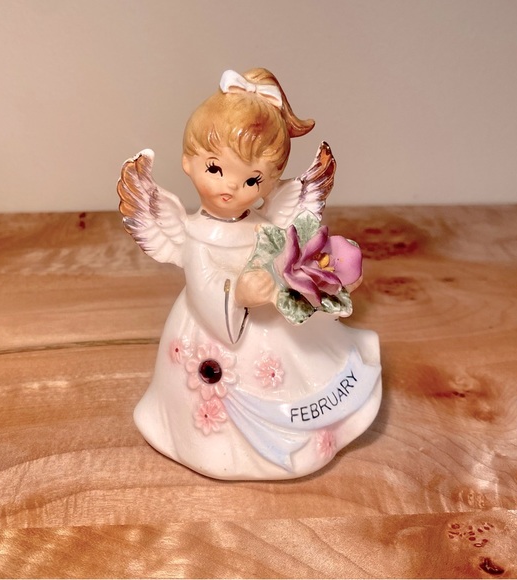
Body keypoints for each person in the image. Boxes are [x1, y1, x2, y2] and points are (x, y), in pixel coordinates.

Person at [118, 68, 381, 480]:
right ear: (188, 162)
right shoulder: (196, 237)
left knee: (307, 359)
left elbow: (291, 263)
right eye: (215, 169)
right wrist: (237, 295)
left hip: (271, 317)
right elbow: (206, 291)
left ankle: (317, 422)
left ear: (270, 184)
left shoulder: (264, 225)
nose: (230, 187)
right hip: (220, 326)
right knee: (215, 391)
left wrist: (325, 284)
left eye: (251, 179)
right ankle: (216, 443)